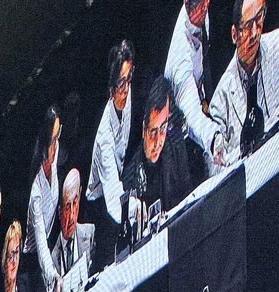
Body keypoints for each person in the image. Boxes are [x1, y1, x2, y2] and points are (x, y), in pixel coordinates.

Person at [208, 0, 279, 167]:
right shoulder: (220, 100)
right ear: (234, 34)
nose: (254, 33)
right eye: (247, 25)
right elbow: (217, 170)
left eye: (259, 17)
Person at [86, 39, 135, 264]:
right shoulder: (104, 137)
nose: (126, 90)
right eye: (121, 84)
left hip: (120, 178)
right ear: (110, 89)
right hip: (100, 206)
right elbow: (113, 199)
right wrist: (130, 216)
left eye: (129, 79)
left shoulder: (128, 92)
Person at [124, 77, 195, 229]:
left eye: (163, 128)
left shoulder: (176, 146)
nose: (158, 142)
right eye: (153, 131)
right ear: (144, 129)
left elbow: (189, 200)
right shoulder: (129, 180)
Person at [165, 0, 217, 167]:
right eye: (199, 4)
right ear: (186, 2)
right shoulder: (180, 60)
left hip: (205, 105)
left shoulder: (201, 11)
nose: (205, 6)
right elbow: (192, 115)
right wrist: (214, 138)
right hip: (183, 140)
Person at [26, 106, 63, 292]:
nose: (56, 145)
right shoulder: (36, 191)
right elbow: (40, 244)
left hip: (50, 247)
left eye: (58, 136)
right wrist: (54, 275)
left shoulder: (56, 157)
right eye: (52, 139)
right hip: (31, 263)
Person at [52, 168, 93, 292]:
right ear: (59, 211)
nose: (71, 216)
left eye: (75, 203)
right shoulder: (52, 260)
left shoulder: (91, 234)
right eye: (67, 207)